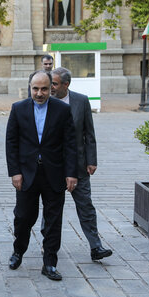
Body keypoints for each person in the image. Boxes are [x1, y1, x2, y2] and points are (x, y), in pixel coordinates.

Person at [5, 70, 77, 281]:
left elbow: (70, 144)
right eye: (35, 88)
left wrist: (71, 173)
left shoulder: (62, 110)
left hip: (54, 174)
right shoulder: (18, 109)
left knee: (54, 221)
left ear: (51, 88)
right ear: (30, 87)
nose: (39, 93)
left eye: (44, 89)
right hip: (26, 174)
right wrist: (15, 172)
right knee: (23, 217)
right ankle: (18, 251)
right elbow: (11, 142)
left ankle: (50, 263)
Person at [50, 67, 112, 261]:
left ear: (66, 85)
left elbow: (89, 133)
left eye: (54, 83)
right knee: (52, 208)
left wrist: (91, 160)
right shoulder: (45, 101)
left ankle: (96, 246)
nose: (50, 87)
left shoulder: (81, 100)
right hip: (53, 165)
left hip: (78, 165)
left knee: (85, 206)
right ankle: (50, 245)